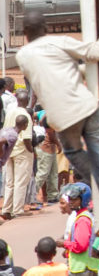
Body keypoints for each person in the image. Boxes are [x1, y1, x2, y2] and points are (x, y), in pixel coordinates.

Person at [16, 13, 99, 226]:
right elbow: (98, 53)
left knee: (76, 155)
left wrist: (74, 70)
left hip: (62, 117)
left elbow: (48, 74)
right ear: (47, 28)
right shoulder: (59, 41)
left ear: (25, 33)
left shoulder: (22, 56)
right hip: (86, 107)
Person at [2, 91, 33, 219]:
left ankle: (6, 209)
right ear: (27, 101)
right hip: (21, 151)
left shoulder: (10, 113)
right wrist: (32, 151)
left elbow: (4, 132)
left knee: (10, 182)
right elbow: (27, 139)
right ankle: (18, 210)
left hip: (9, 151)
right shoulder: (25, 116)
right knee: (20, 181)